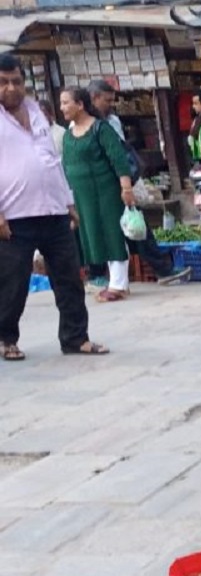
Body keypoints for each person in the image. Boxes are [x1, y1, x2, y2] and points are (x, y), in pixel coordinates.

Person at [0, 53, 108, 359]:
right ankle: (5, 338)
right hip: (14, 217)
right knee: (12, 283)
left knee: (70, 278)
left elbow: (51, 160)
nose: (11, 88)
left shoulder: (36, 113)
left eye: (16, 81)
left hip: (53, 211)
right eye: (3, 82)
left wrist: (68, 200)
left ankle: (75, 338)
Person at [85, 80, 192, 287]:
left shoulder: (112, 121)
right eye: (106, 101)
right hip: (99, 188)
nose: (110, 105)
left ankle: (163, 269)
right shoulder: (83, 126)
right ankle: (97, 274)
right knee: (99, 229)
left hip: (121, 185)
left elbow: (120, 156)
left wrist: (127, 185)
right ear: (94, 98)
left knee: (137, 226)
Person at [59, 87, 135, 303]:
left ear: (80, 104)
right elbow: (65, 167)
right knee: (92, 234)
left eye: (66, 102)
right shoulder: (68, 135)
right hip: (82, 196)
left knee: (112, 232)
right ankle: (109, 279)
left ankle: (118, 285)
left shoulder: (101, 129)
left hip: (106, 191)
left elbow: (118, 159)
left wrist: (126, 188)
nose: (62, 107)